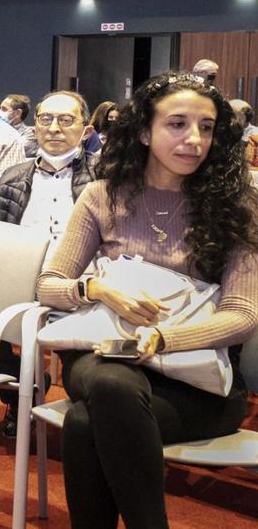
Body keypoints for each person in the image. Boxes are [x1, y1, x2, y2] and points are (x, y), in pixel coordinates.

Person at [37, 72, 258, 527]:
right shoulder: (103, 196)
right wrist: (96, 290)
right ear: (143, 131)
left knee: (85, 422)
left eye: (206, 127)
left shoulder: (239, 206)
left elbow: (243, 315)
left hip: (199, 379)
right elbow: (49, 284)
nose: (194, 139)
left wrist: (163, 337)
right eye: (177, 124)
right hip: (104, 355)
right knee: (112, 382)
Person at [0, 91, 97, 437]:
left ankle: (85, 399)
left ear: (86, 129)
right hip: (20, 281)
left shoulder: (104, 177)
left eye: (66, 120)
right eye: (45, 119)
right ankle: (22, 384)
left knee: (85, 375)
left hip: (81, 287)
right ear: (34, 126)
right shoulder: (12, 176)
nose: (54, 128)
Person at [0, 93, 37, 158]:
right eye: (0, 108)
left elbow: (15, 151)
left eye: (4, 109)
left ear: (17, 113)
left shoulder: (31, 134)